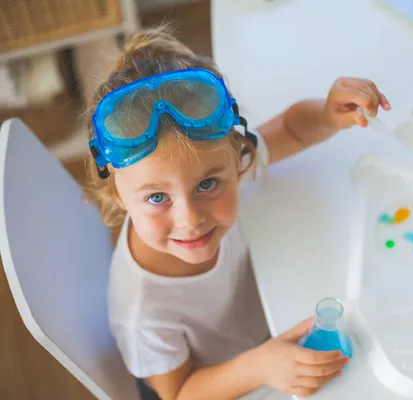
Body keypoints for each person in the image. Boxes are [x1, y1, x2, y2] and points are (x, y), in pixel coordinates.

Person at [84, 26, 390, 400]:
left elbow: (292, 130)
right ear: (117, 195)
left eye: (208, 186)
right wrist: (259, 366)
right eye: (157, 198)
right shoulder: (141, 309)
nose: (190, 218)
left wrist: (328, 116)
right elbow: (179, 394)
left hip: (265, 314)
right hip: (223, 379)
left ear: (236, 158)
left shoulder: (216, 161)